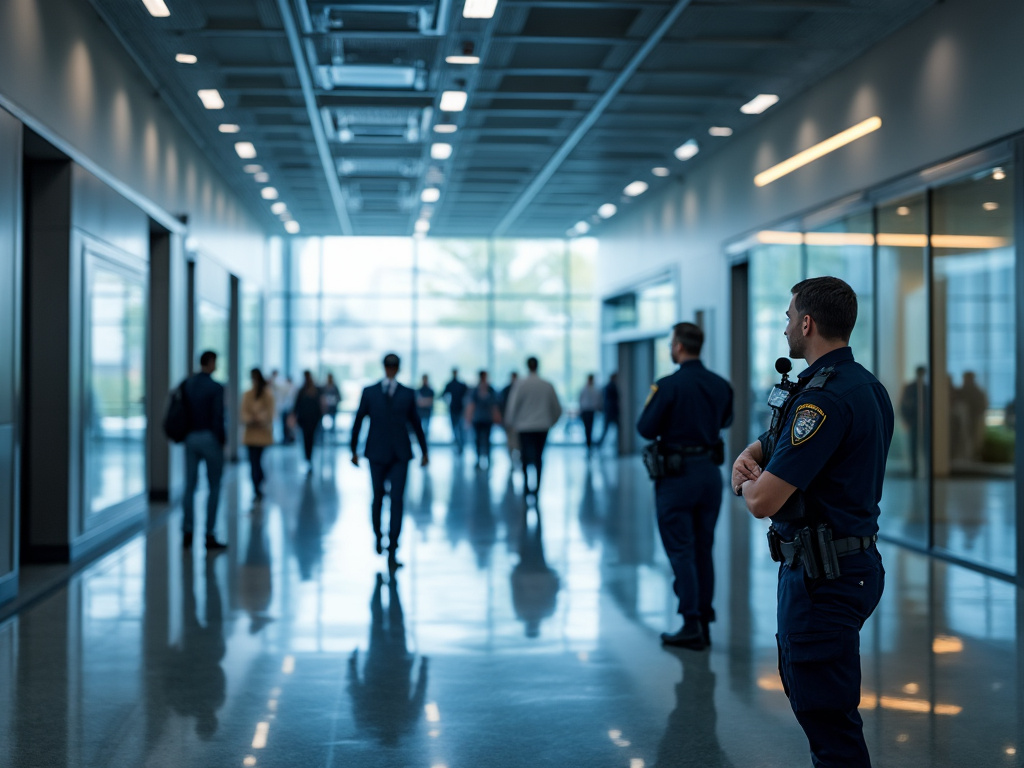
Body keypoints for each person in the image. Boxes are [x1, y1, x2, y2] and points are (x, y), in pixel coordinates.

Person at [732, 276, 894, 767]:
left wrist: (744, 483)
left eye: (788, 318)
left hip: (824, 579)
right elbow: (776, 439)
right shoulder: (861, 385)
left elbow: (763, 501)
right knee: (825, 709)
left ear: (807, 323)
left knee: (828, 723)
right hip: (849, 565)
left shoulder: (821, 400)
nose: (785, 328)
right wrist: (750, 453)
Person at [637, 323, 733, 650]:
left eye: (671, 343)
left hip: (676, 476)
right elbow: (727, 420)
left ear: (678, 346)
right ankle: (703, 620)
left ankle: (690, 623)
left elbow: (646, 428)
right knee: (703, 547)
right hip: (709, 474)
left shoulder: (667, 385)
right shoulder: (721, 384)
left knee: (681, 550)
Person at [351, 353, 429, 569]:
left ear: (398, 368)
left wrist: (424, 451)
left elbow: (416, 423)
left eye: (393, 366)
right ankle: (378, 535)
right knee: (378, 497)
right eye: (389, 366)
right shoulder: (370, 392)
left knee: (396, 500)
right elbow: (359, 419)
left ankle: (393, 546)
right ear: (384, 367)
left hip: (400, 454)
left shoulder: (407, 393)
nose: (391, 369)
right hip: (376, 453)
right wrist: (353, 449)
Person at [181, 350, 228, 550]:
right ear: (210, 362)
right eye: (215, 362)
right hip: (209, 438)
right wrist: (222, 441)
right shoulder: (216, 387)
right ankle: (209, 534)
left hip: (190, 438)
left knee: (190, 486)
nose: (216, 365)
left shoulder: (188, 384)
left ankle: (187, 531)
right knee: (214, 486)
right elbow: (218, 417)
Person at [503, 357, 562, 497]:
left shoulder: (520, 384)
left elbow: (512, 407)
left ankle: (526, 485)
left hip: (524, 427)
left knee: (524, 456)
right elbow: (557, 408)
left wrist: (510, 424)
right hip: (542, 426)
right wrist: (550, 422)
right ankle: (537, 487)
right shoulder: (547, 385)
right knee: (539, 456)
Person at [241, 368, 275, 502]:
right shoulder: (248, 394)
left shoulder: (267, 395)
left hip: (262, 434)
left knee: (257, 461)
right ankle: (256, 487)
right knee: (253, 462)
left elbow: (270, 413)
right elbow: (243, 412)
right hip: (250, 434)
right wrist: (251, 419)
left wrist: (259, 418)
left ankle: (259, 481)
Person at [464, 370, 501, 469]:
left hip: (487, 419)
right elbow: (471, 405)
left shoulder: (490, 389)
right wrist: (468, 419)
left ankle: (487, 458)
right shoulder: (475, 390)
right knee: (478, 440)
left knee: (487, 440)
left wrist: (497, 417)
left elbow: (494, 406)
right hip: (478, 419)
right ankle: (478, 459)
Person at [898, 365, 928, 477]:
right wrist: (907, 420)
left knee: (925, 446)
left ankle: (925, 469)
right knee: (913, 447)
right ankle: (914, 470)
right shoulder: (910, 388)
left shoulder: (926, 388)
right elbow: (904, 405)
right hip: (913, 422)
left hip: (925, 423)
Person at [294, 371, 323, 467]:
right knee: (306, 439)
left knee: (310, 438)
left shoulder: (316, 390)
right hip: (304, 419)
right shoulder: (302, 390)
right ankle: (308, 457)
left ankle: (309, 457)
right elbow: (297, 405)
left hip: (313, 419)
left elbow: (320, 404)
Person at [442, 369, 469, 454]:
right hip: (458, 409)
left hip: (456, 409)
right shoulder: (460, 385)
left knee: (457, 429)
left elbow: (443, 395)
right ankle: (460, 445)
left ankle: (460, 445)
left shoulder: (452, 384)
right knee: (458, 429)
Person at [579, 373, 602, 455]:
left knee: (590, 428)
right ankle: (588, 444)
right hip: (585, 410)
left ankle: (589, 444)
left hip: (591, 410)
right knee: (587, 428)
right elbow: (580, 400)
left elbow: (598, 400)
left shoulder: (595, 389)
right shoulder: (584, 389)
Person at [500, 371, 519, 461]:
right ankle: (511, 459)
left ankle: (518, 458)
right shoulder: (506, 390)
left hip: (519, 421)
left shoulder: (520, 389)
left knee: (518, 442)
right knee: (510, 442)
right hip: (508, 420)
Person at [597, 372, 619, 450]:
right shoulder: (611, 386)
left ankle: (599, 444)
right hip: (611, 411)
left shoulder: (607, 387)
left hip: (609, 411)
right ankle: (599, 444)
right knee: (606, 429)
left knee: (606, 429)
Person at [321, 372, 342, 440]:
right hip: (325, 408)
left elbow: (339, 398)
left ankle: (333, 438)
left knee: (333, 424)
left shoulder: (335, 387)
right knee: (322, 424)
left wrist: (334, 400)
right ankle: (322, 437)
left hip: (333, 408)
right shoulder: (324, 387)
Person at [416, 374, 435, 438]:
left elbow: (430, 402)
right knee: (420, 429)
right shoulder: (419, 390)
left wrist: (423, 401)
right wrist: (426, 401)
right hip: (420, 413)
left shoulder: (430, 391)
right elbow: (418, 402)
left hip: (427, 413)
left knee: (426, 429)